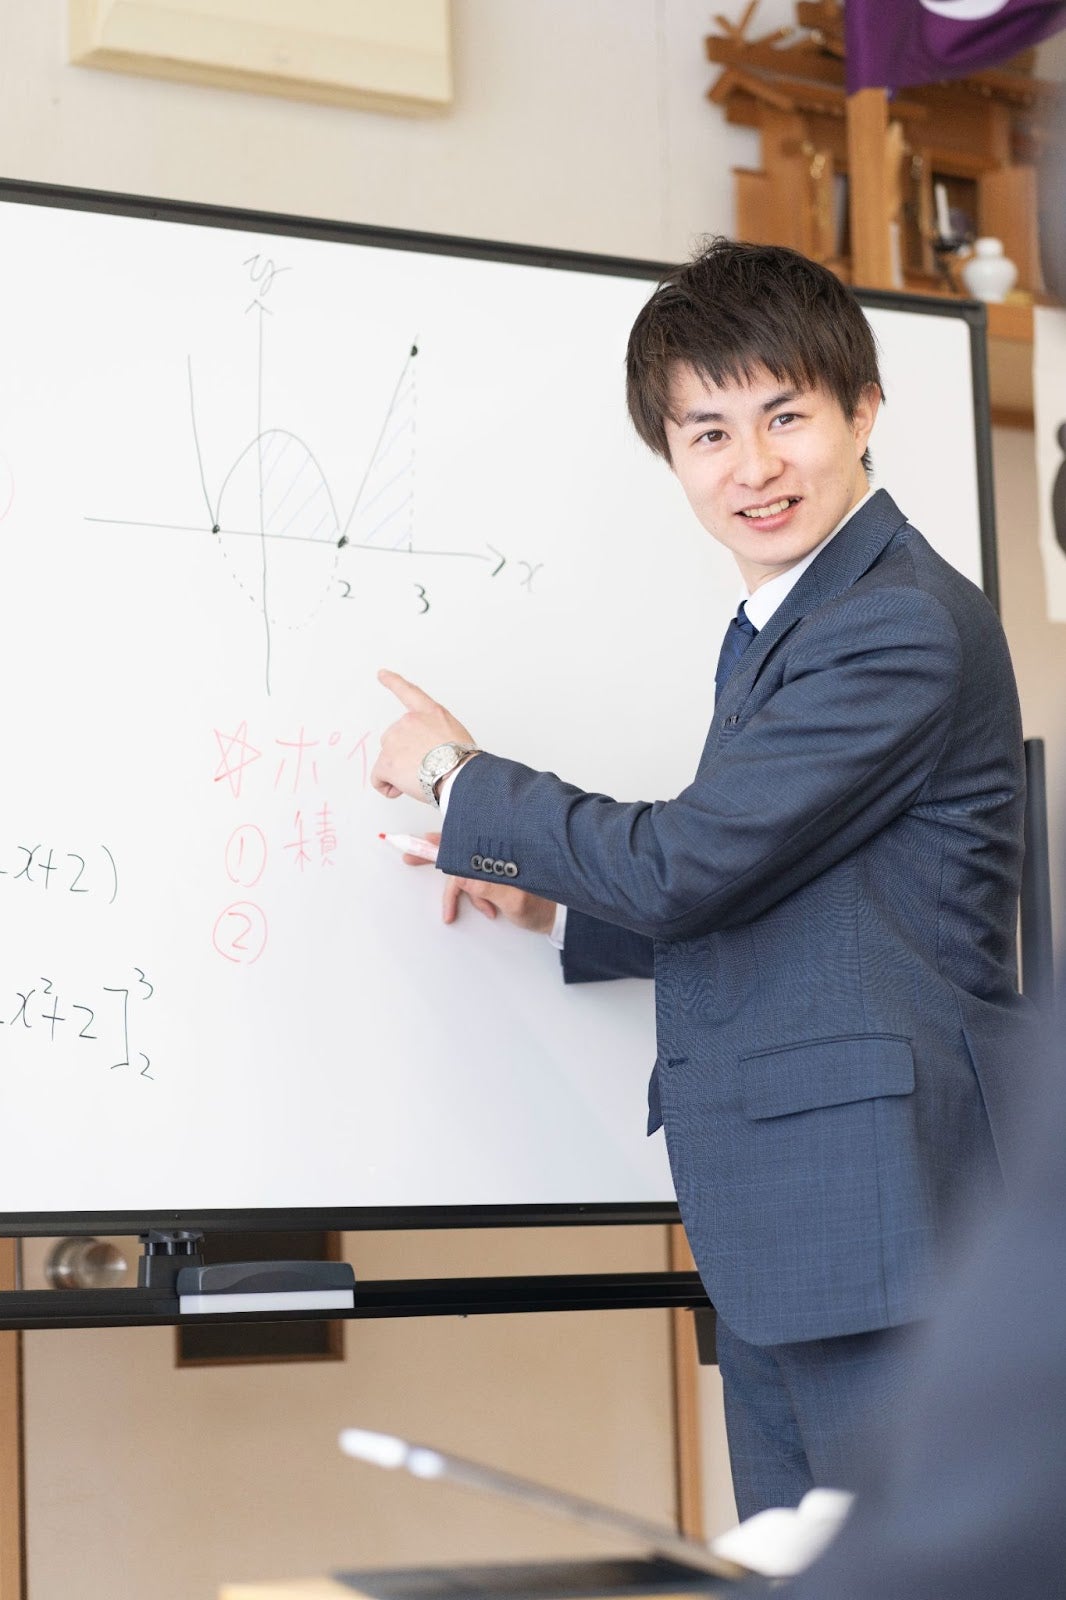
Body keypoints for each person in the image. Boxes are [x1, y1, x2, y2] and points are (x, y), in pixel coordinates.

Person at [370, 238, 1035, 1519]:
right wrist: (555, 907)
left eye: (786, 416)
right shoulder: (790, 621)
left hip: (886, 1226)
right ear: (670, 455)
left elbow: (689, 862)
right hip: (809, 1229)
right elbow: (792, 895)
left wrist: (458, 780)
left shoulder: (890, 620)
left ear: (862, 411)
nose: (752, 467)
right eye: (709, 433)